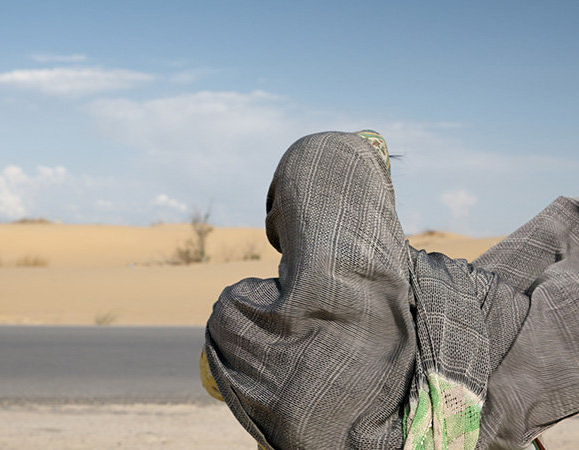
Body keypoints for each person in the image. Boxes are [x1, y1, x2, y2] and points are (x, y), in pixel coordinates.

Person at [201, 131, 578, 449]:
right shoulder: (455, 295)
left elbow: (216, 384)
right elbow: (549, 337)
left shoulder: (239, 319)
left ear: (286, 208)